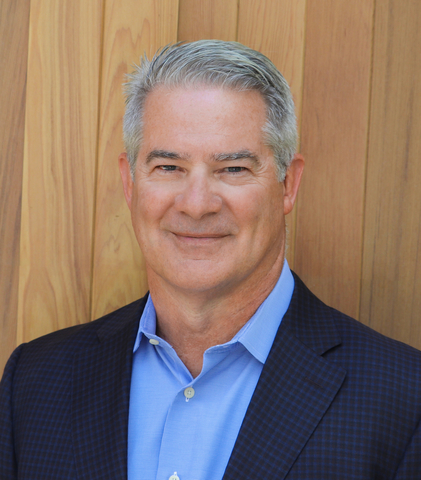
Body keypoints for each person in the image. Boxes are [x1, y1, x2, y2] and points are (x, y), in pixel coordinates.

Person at [1, 40, 420, 480]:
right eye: (168, 167)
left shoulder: (403, 402)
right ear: (130, 183)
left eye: (233, 169)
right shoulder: (33, 384)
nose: (197, 205)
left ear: (287, 185)